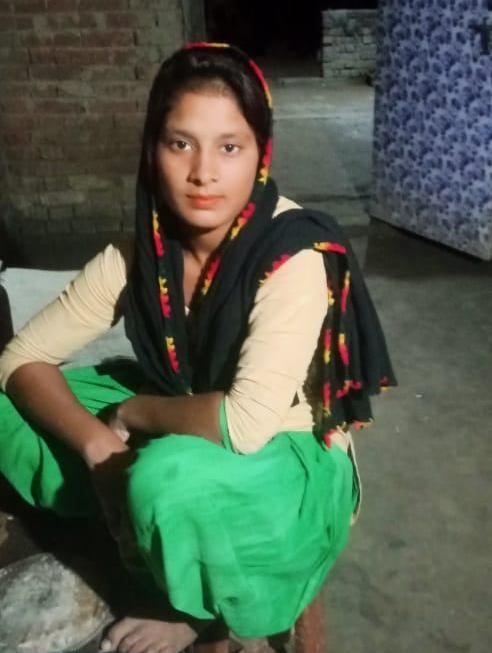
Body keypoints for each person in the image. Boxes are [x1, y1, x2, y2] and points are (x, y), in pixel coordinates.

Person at [0, 43, 396, 653]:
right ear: (152, 151)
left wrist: (130, 414)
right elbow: (20, 359)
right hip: (182, 403)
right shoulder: (142, 254)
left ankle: (197, 610)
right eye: (180, 143)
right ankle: (141, 519)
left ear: (261, 154)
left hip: (283, 448)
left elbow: (245, 422)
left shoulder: (292, 254)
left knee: (166, 481)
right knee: (14, 409)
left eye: (229, 147)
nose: (203, 173)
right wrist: (101, 449)